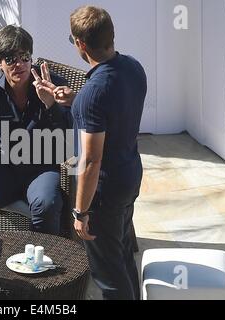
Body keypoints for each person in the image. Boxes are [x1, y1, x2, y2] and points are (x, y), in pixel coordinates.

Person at [41, 6, 147, 299]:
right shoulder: (134, 68)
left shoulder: (93, 93)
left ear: (81, 44)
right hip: (130, 177)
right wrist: (74, 101)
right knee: (123, 256)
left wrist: (80, 211)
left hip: (105, 193)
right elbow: (116, 108)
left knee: (108, 275)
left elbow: (90, 161)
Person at [0, 25, 72, 236]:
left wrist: (51, 105)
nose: (19, 65)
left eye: (25, 57)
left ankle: (44, 262)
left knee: (46, 204)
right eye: (10, 59)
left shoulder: (54, 86)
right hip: (5, 165)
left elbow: (70, 137)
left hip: (42, 166)